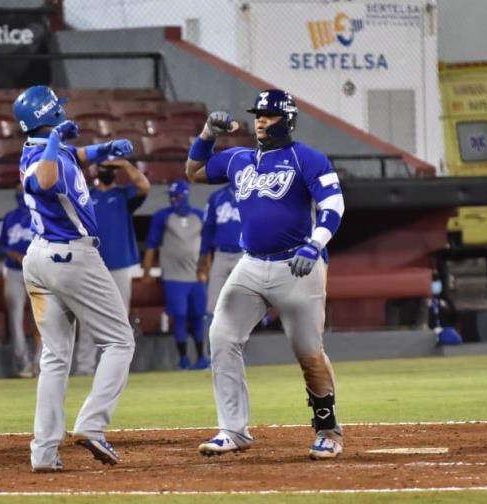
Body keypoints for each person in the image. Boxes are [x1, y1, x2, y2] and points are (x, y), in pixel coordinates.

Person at [185, 89, 346, 460]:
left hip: (298, 263)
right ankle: (233, 430)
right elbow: (193, 171)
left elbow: (333, 205)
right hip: (252, 263)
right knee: (222, 336)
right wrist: (208, 134)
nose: (260, 120)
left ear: (287, 120)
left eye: (269, 115)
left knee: (308, 353)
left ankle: (328, 430)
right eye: (258, 114)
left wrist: (315, 243)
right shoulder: (238, 159)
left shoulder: (306, 158)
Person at [13, 85, 136, 470]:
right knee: (119, 341)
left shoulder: (47, 147)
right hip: (71, 255)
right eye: (58, 112)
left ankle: (45, 452)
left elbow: (74, 155)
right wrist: (54, 140)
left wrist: (107, 148)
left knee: (54, 358)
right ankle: (92, 424)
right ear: (48, 116)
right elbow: (45, 179)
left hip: (41, 259)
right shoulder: (41, 155)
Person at [73, 157, 150, 376]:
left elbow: (144, 186)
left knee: (119, 318)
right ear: (97, 171)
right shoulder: (87, 196)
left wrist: (126, 165)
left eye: (110, 168)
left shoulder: (123, 195)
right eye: (103, 168)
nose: (107, 171)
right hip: (91, 264)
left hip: (119, 264)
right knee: (88, 317)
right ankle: (84, 368)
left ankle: (116, 368)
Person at [141, 181, 208, 370]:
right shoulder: (162, 216)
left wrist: (205, 270)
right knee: (179, 315)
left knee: (198, 315)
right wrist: (146, 272)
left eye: (176, 196)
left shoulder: (199, 216)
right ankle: (183, 358)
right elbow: (151, 246)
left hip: (196, 276)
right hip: (173, 275)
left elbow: (206, 248)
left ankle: (202, 357)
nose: (173, 200)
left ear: (185, 195)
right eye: (171, 196)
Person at [0, 182, 36, 378]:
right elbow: (0, 244)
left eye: (24, 190)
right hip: (14, 271)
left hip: (38, 271)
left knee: (42, 318)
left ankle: (41, 363)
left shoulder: (41, 215)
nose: (20, 193)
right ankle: (23, 364)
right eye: (17, 190)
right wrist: (14, 254)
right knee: (16, 318)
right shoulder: (9, 218)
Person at [198, 185, 243, 326]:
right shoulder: (217, 196)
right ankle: (210, 348)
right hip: (220, 255)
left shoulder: (254, 193)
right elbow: (208, 229)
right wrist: (202, 259)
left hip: (244, 256)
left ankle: (239, 348)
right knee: (212, 307)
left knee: (243, 308)